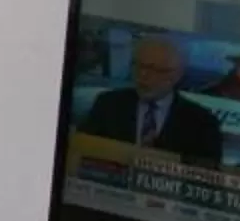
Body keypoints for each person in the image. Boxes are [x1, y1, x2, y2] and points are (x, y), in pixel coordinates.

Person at [75, 35, 225, 168]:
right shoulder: (108, 104)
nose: (143, 75)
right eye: (138, 66)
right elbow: (82, 151)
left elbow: (206, 177)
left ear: (177, 75)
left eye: (154, 69)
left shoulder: (203, 123)